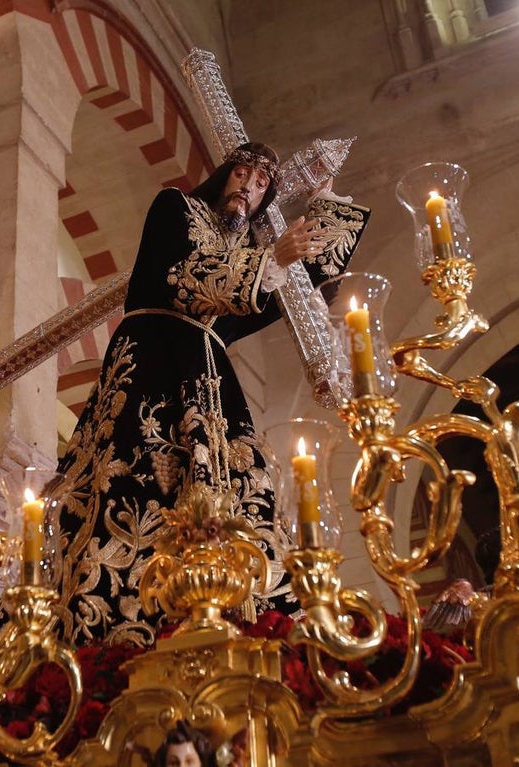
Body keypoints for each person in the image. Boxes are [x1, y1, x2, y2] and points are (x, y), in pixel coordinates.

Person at [51, 141, 369, 645]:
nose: (249, 187)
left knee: (242, 492)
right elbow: (176, 278)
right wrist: (268, 259)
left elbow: (297, 285)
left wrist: (326, 209)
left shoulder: (250, 255)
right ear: (224, 175)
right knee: (139, 480)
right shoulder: (175, 207)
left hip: (210, 376)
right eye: (243, 173)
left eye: (262, 184)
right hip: (153, 358)